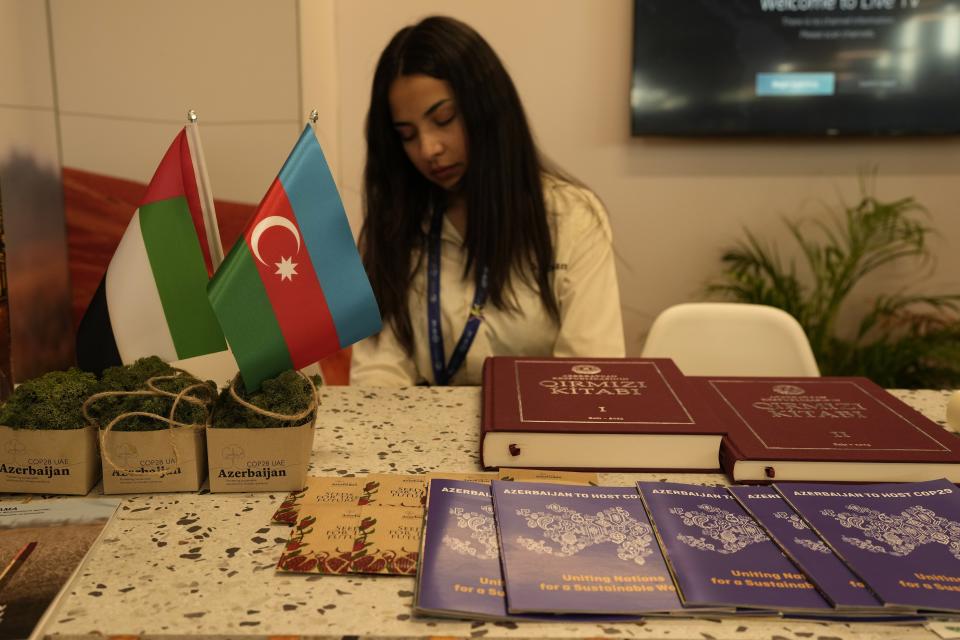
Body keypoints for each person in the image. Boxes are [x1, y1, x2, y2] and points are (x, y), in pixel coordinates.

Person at [350, 15, 624, 386]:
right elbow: (379, 373)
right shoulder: (396, 225)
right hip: (426, 438)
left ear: (488, 111)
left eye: (444, 118)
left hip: (538, 437)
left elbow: (590, 375)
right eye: (407, 135)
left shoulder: (570, 217)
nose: (429, 149)